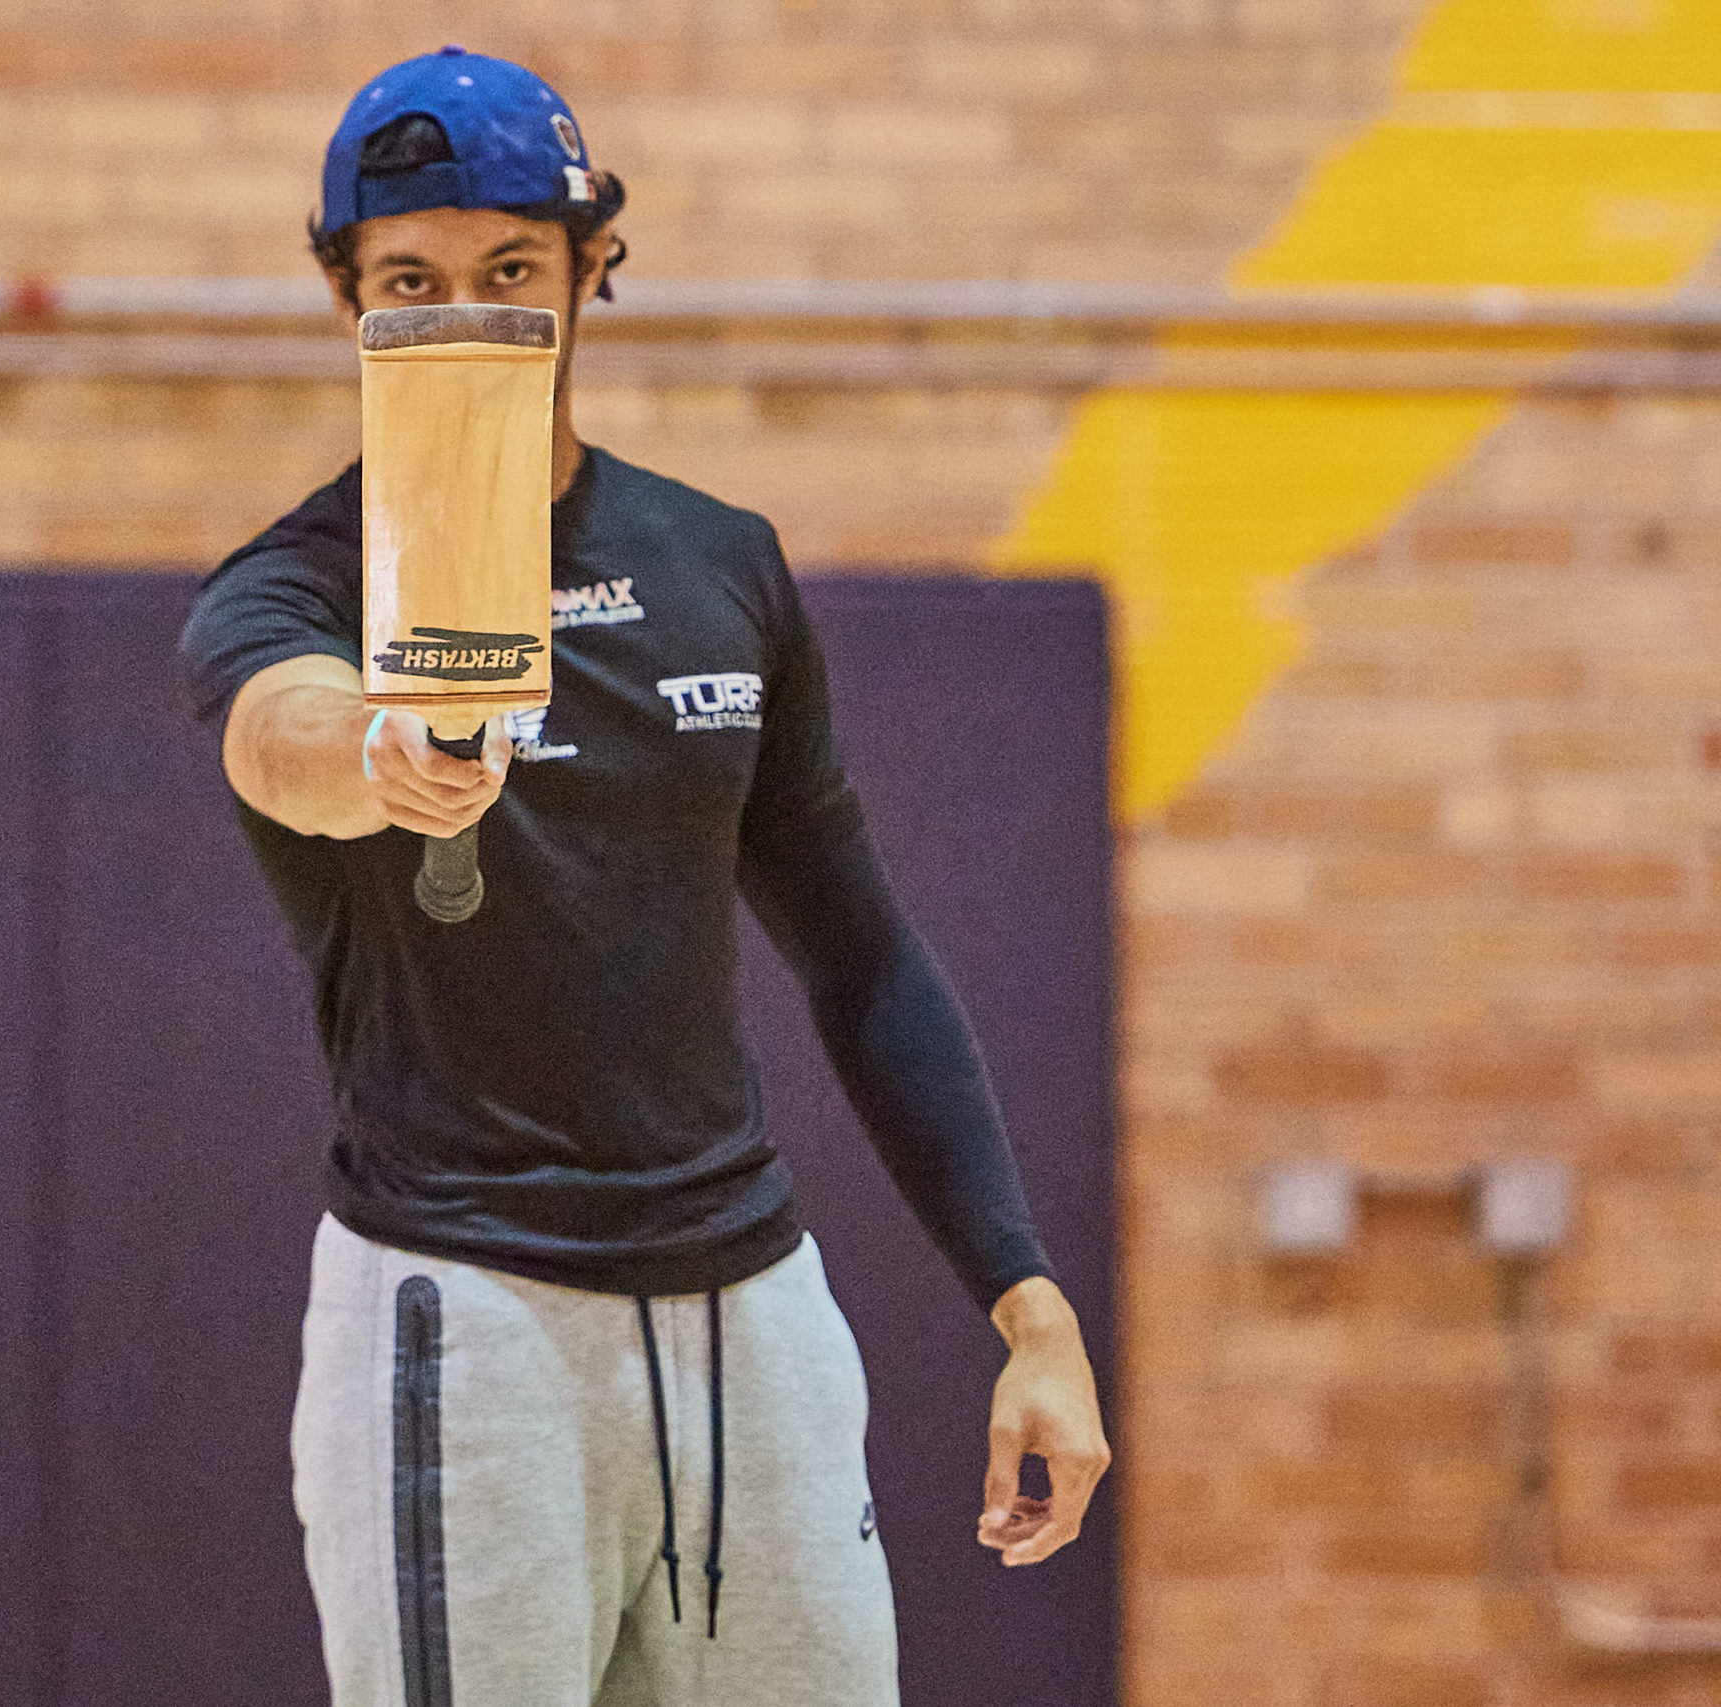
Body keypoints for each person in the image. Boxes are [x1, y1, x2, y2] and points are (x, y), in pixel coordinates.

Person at [179, 45, 1109, 1707]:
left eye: (509, 273)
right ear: (346, 302)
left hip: (754, 1321)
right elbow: (277, 737)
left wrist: (1025, 1302)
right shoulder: (290, 587)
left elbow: (865, 959)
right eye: (411, 282)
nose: (463, 319)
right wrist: (377, 750)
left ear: (593, 268)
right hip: (464, 1322)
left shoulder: (718, 564)